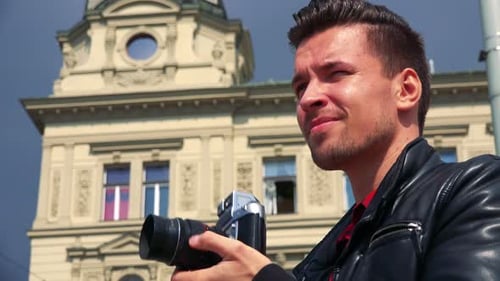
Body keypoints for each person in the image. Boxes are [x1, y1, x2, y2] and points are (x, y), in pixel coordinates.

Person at [172, 0, 500, 280]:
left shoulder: (477, 189)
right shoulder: (317, 261)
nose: (308, 98)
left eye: (337, 74)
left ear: (406, 90)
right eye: (300, 86)